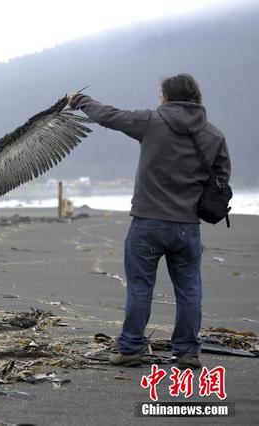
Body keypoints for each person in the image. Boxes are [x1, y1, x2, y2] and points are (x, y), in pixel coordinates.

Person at [68, 73, 231, 369]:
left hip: (147, 222)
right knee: (190, 289)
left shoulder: (151, 122)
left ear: (165, 97)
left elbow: (108, 116)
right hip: (186, 225)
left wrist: (79, 100)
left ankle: (131, 348)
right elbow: (221, 179)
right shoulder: (214, 135)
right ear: (197, 97)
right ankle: (187, 352)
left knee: (141, 287)